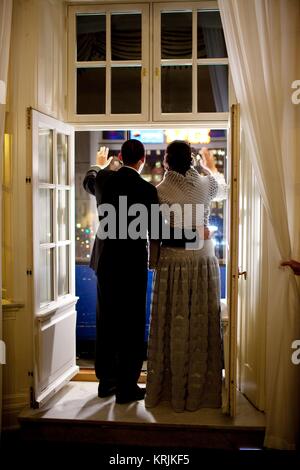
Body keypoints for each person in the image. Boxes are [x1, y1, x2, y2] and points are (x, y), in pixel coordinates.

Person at [145, 142, 228, 412]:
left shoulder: (160, 190)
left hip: (174, 261)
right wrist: (206, 166)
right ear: (191, 160)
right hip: (204, 258)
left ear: (167, 160)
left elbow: (158, 232)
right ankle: (201, 391)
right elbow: (225, 189)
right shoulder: (206, 185)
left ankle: (171, 391)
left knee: (174, 320)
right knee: (201, 320)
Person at [83, 139, 159, 404]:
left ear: (120, 157)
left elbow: (89, 180)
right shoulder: (147, 189)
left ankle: (106, 382)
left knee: (107, 321)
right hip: (132, 265)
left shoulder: (105, 180)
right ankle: (127, 387)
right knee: (131, 325)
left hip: (106, 262)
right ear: (142, 160)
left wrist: (100, 165)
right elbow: (157, 231)